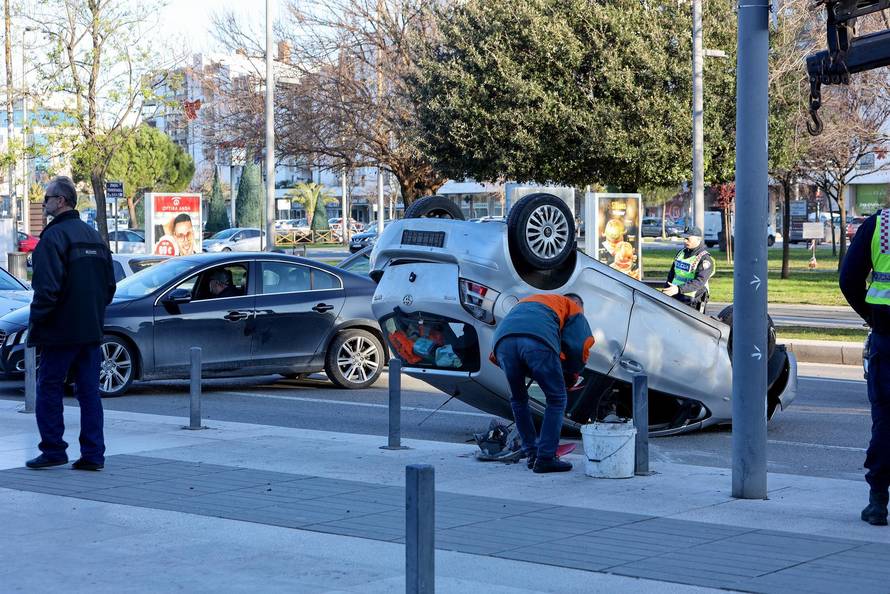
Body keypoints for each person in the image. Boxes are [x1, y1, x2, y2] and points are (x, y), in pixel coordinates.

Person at [25, 176, 116, 471]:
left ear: (61, 201)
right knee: (89, 391)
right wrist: (91, 312)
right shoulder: (94, 237)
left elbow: (46, 290)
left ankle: (53, 449)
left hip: (60, 331)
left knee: (49, 387)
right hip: (90, 330)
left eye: (47, 198)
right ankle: (93, 454)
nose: (44, 203)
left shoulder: (53, 238)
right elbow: (110, 287)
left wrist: (36, 323)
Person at [490, 293, 594, 473]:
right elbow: (580, 346)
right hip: (536, 341)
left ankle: (531, 453)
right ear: (577, 303)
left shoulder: (532, 303)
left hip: (502, 343)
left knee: (518, 400)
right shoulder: (572, 306)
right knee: (556, 399)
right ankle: (546, 457)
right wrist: (572, 374)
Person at [840, 210, 890, 526]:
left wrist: (871, 317)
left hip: (887, 338)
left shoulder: (880, 224)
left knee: (886, 419)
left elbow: (848, 279)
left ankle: (877, 503)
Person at [662, 226, 714, 311]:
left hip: (692, 300)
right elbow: (672, 274)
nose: (684, 241)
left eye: (687, 238)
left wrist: (679, 289)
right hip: (675, 294)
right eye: (684, 238)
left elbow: (699, 281)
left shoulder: (705, 259)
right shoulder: (681, 253)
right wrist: (667, 289)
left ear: (698, 239)